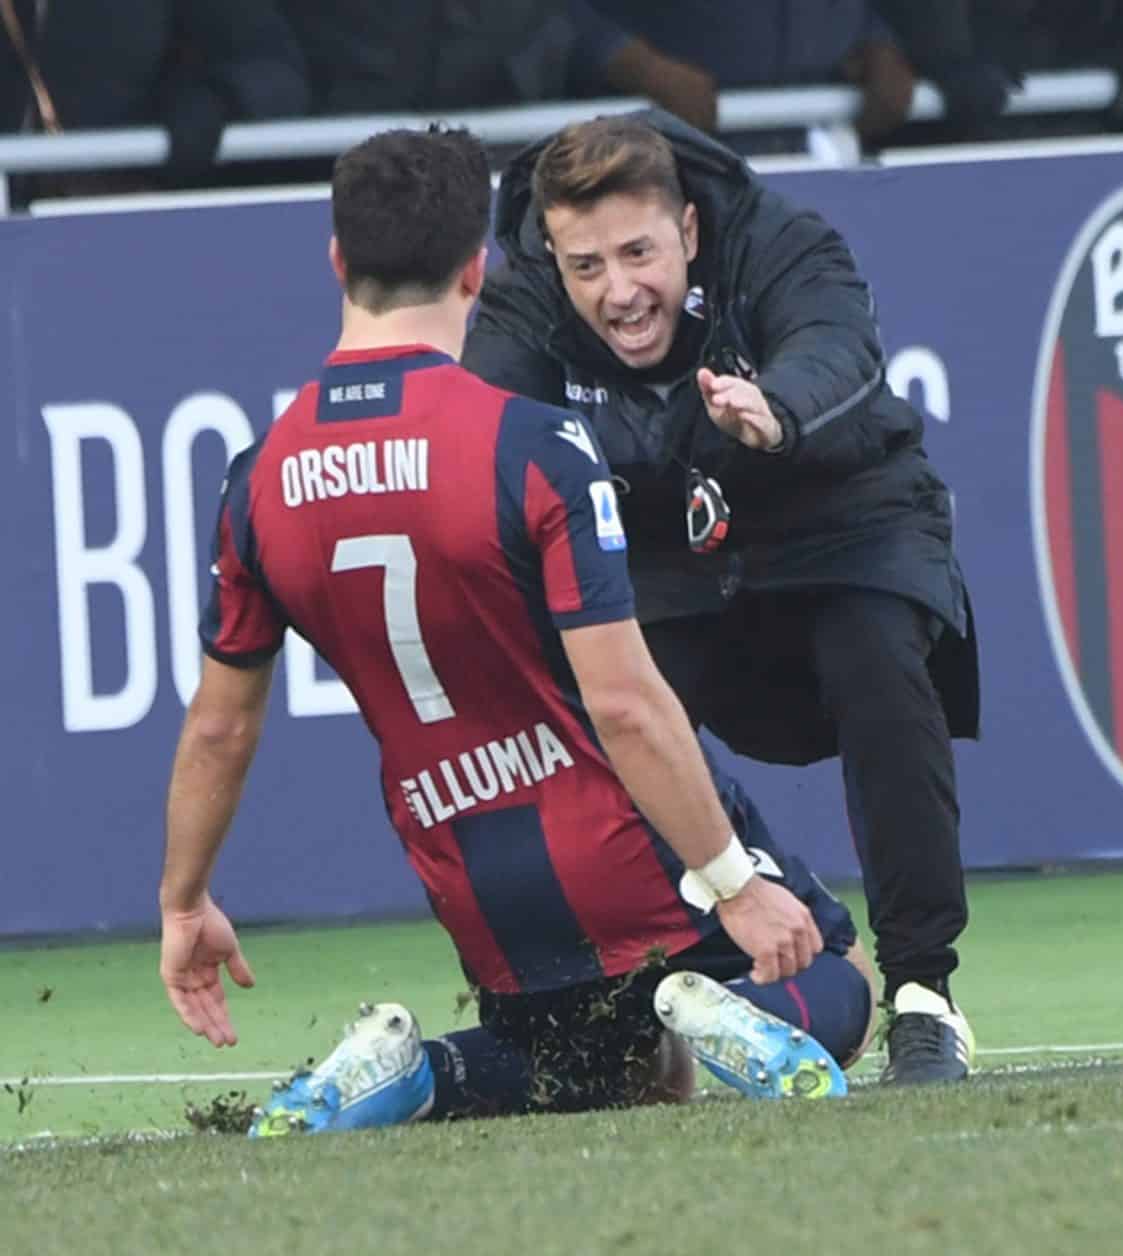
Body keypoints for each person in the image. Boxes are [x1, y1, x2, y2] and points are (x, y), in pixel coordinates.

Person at [157, 125, 880, 1135]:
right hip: (621, 844)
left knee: (577, 1075)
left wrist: (185, 902)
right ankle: (708, 1000)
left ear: (337, 261)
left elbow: (220, 726)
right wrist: (731, 883)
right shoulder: (532, 444)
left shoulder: (259, 475)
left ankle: (411, 1068)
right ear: (477, 267)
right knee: (838, 981)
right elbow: (625, 703)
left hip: (468, 868)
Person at [461, 111, 979, 1084]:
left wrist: (774, 411)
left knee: (876, 657)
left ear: (688, 231)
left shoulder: (780, 236)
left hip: (839, 520)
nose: (618, 292)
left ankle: (921, 995)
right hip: (672, 561)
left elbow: (838, 349)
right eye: (587, 266)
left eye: (638, 253)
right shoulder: (522, 295)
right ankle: (604, 1003)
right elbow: (487, 434)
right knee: (596, 707)